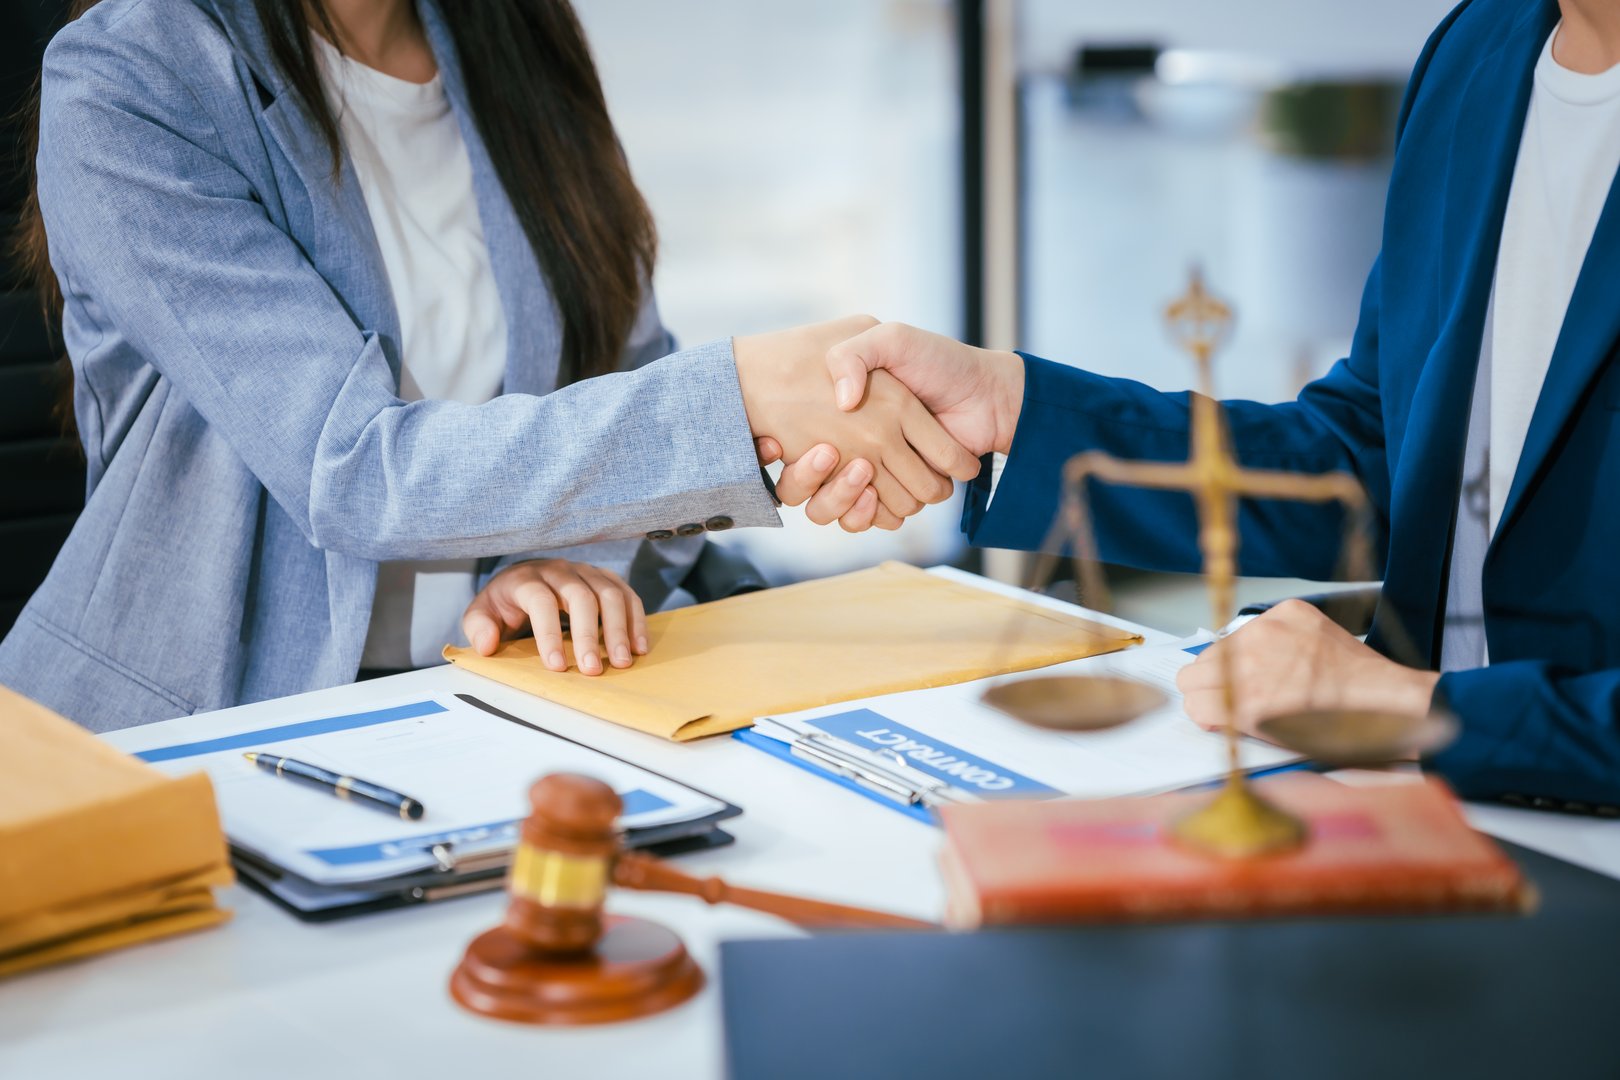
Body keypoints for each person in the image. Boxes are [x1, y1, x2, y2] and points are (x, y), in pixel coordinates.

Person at [1, 0, 980, 731]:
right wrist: (744, 398)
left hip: (502, 703)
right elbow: (354, 470)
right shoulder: (131, 80)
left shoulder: (515, 48)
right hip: (207, 733)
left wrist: (567, 568)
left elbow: (628, 374)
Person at [785, 0, 1620, 807]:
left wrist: (1417, 707)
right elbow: (1375, 452)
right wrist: (1017, 411)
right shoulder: (1482, 50)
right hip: (1421, 805)